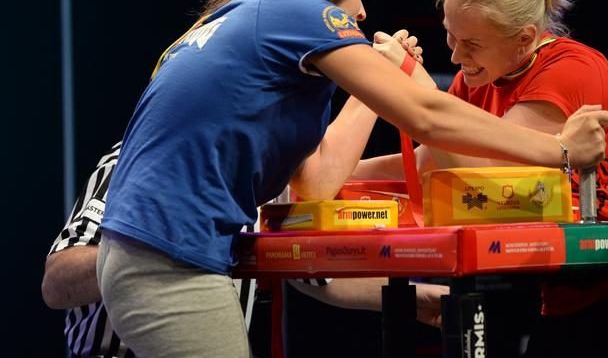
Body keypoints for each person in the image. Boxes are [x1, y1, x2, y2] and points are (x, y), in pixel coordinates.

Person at [95, 0, 608, 358]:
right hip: (167, 260)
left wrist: (374, 86)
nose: (362, 12)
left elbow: (318, 182)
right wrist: (559, 150)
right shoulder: (292, 11)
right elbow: (426, 114)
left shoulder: (251, 24)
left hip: (152, 256)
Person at [356, 0, 608, 357]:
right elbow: (429, 159)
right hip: (564, 291)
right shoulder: (475, 80)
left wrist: (414, 87)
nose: (457, 56)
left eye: (472, 43)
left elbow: (487, 178)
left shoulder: (569, 68)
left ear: (525, 37)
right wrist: (332, 177)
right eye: (450, 36)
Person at [42, 140, 446, 358]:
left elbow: (313, 274)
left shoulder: (265, 174)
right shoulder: (133, 162)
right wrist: (163, 243)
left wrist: (411, 298)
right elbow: (57, 285)